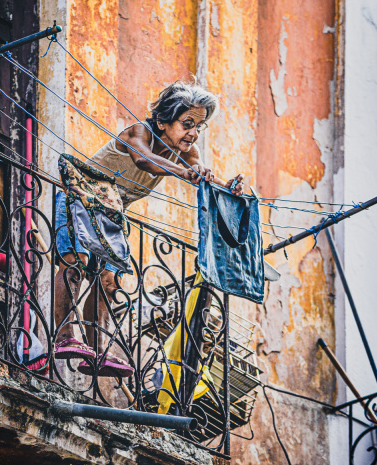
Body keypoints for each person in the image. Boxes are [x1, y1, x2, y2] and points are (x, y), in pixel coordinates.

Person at [51, 81, 245, 377]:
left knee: (108, 281)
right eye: (187, 123)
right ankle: (64, 338)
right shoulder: (138, 132)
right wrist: (185, 171)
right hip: (80, 194)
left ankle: (97, 352)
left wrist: (231, 187)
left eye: (199, 126)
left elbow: (202, 175)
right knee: (76, 265)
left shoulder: (187, 152)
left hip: (112, 212)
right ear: (162, 121)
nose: (193, 133)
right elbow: (144, 159)